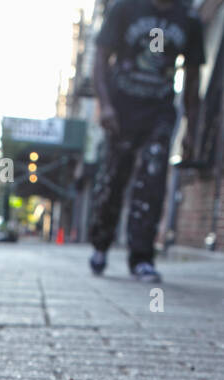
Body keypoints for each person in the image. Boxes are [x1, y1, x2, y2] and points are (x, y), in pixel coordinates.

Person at [88, 0, 204, 283]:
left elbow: (192, 78)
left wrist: (191, 129)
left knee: (152, 178)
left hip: (159, 112)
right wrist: (105, 105)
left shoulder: (189, 18)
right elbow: (101, 59)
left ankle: (141, 257)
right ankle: (101, 243)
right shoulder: (125, 8)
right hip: (122, 110)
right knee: (114, 179)